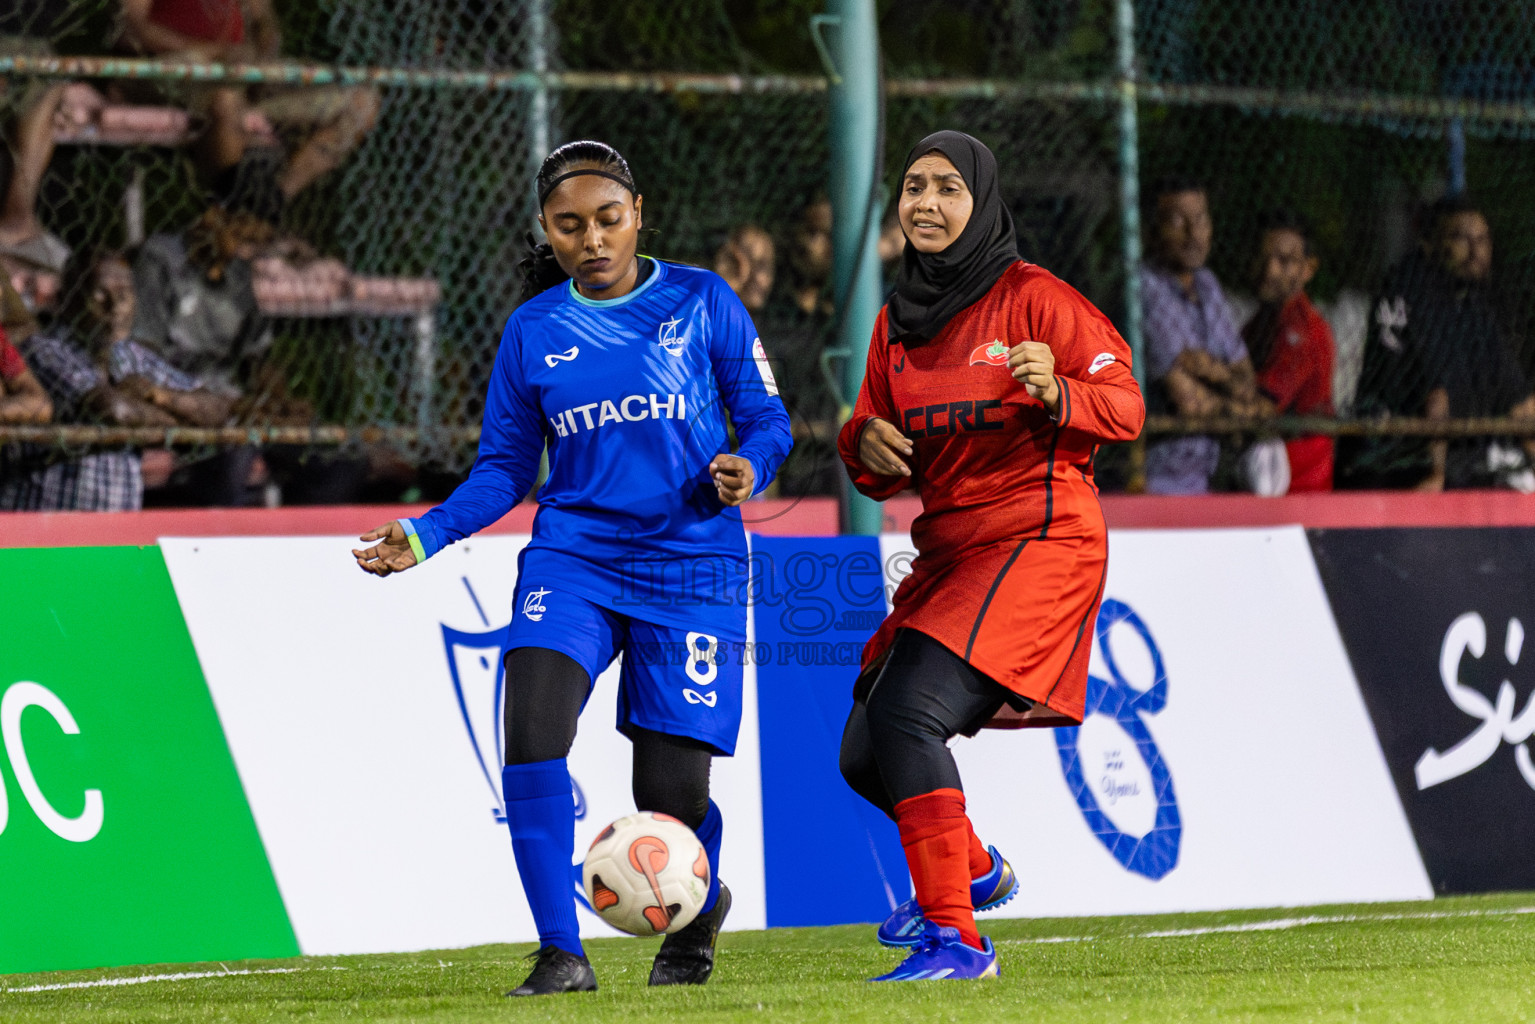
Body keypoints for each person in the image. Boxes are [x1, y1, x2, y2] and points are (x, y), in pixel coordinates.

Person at [351, 141, 792, 996]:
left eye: (606, 219)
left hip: (691, 561)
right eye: (569, 224)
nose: (591, 238)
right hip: (575, 557)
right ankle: (561, 954)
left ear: (638, 215)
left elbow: (767, 419)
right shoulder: (534, 330)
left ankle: (699, 908)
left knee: (668, 794)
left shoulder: (704, 301)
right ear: (546, 232)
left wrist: (750, 466)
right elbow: (507, 470)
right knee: (532, 734)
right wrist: (428, 533)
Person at [835, 131, 1144, 981]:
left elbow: (1126, 407)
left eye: (946, 188)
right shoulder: (895, 322)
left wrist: (1064, 391)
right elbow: (865, 448)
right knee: (863, 754)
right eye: (911, 187)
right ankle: (971, 867)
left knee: (906, 715)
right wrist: (866, 441)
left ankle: (956, 939)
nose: (925, 203)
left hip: (1040, 537)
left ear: (982, 202)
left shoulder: (1034, 298)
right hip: (952, 550)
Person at [1, 249, 232, 510]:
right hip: (48, 525)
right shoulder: (43, 350)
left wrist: (159, 395)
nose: (115, 306)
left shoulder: (134, 356)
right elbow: (114, 411)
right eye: (100, 294)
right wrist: (178, 422)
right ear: (67, 300)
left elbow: (218, 411)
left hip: (116, 526)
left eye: (124, 294)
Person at [1340, 196, 1535, 491]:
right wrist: (1436, 477)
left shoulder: (1472, 303)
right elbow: (1436, 398)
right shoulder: (1411, 287)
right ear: (1429, 244)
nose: (1475, 251)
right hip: (1402, 460)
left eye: (1482, 240)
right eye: (1460, 238)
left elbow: (1519, 401)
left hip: (1461, 458)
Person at [1140, 177, 1264, 494]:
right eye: (1178, 222)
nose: (1194, 234)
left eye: (1201, 220)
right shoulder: (1143, 288)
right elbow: (1188, 399)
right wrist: (1239, 405)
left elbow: (1243, 372)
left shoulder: (1207, 284)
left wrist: (1207, 369)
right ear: (1151, 231)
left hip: (1204, 478)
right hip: (1155, 479)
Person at [1242, 210, 1335, 491]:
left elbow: (1264, 404)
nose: (1270, 271)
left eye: (1284, 262)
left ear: (1308, 269)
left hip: (1299, 484)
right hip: (1274, 475)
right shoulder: (1261, 322)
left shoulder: (1303, 331)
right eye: (1264, 258)